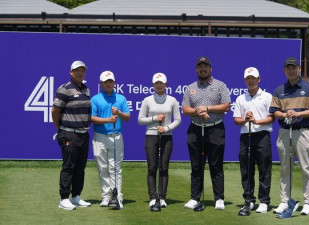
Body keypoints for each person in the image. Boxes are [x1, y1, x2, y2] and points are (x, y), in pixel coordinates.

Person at [269, 57, 309, 216]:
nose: (291, 70)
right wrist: (286, 114)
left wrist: (297, 114)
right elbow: (275, 111)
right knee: (286, 168)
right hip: (285, 131)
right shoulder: (280, 90)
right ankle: (284, 201)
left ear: (299, 69)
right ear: (284, 71)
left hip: (302, 132)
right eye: (288, 68)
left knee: (306, 168)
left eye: (293, 68)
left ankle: (307, 203)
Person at [182, 56, 231, 210]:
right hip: (195, 129)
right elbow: (185, 109)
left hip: (215, 129)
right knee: (197, 165)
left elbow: (226, 106)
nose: (203, 69)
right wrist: (198, 111)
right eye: (200, 66)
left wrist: (207, 108)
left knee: (216, 165)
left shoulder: (220, 85)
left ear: (211, 69)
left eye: (205, 66)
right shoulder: (190, 88)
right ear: (196, 69)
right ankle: (195, 198)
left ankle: (219, 199)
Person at [233, 67, 275, 215]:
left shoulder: (267, 96)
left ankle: (264, 201)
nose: (251, 81)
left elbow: (272, 118)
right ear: (245, 80)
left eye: (253, 78)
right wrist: (245, 119)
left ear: (259, 79)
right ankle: (249, 200)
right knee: (246, 170)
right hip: (246, 136)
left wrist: (256, 121)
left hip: (262, 136)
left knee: (264, 169)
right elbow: (236, 119)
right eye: (248, 79)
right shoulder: (240, 98)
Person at [52, 60, 92, 210]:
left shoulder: (86, 90)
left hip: (83, 134)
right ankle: (64, 198)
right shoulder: (65, 89)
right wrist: (61, 128)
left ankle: (76, 196)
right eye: (77, 70)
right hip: (70, 134)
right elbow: (55, 111)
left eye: (82, 70)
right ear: (71, 72)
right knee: (69, 166)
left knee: (80, 167)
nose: (80, 73)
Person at [138, 72, 181, 209]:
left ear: (166, 84)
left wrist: (167, 128)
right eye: (156, 83)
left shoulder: (172, 100)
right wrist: (155, 119)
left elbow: (178, 120)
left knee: (164, 167)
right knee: (152, 167)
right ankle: (152, 197)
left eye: (161, 83)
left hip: (167, 136)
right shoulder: (147, 100)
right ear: (153, 85)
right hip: (151, 136)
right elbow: (140, 120)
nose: (159, 85)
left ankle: (162, 197)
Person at [91, 71, 131, 209]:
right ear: (101, 84)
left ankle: (117, 197)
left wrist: (118, 113)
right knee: (102, 168)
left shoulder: (121, 98)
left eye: (110, 81)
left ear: (114, 83)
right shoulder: (95, 99)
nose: (108, 84)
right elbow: (92, 118)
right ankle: (106, 197)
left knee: (115, 168)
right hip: (99, 137)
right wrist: (108, 119)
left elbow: (127, 117)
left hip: (116, 136)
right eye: (105, 82)